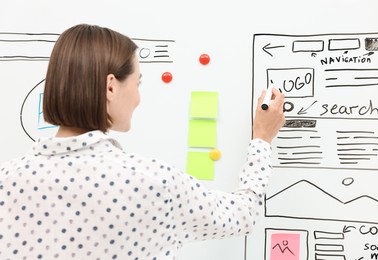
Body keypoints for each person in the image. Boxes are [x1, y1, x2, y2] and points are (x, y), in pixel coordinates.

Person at [0, 24, 285, 260]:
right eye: (138, 83)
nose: (138, 96)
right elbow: (242, 214)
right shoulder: (153, 182)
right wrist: (261, 140)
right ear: (111, 86)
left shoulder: (6, 182)